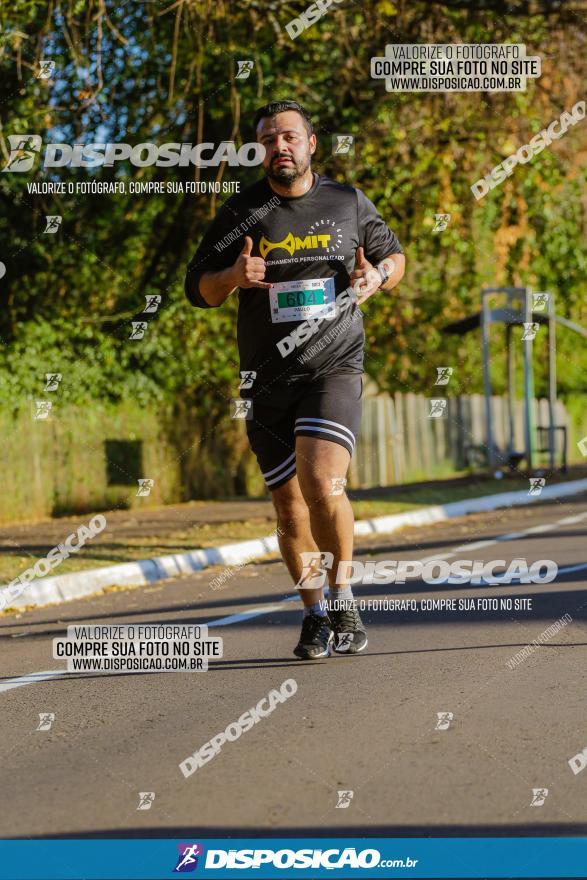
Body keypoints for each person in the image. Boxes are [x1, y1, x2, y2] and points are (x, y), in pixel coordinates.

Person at [185, 99, 405, 659]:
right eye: (266, 139)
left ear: (310, 144)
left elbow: (395, 257)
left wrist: (376, 276)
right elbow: (199, 290)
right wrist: (233, 275)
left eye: (288, 136)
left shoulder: (346, 201)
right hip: (265, 380)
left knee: (324, 482)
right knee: (288, 507)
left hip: (333, 367)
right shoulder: (240, 213)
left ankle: (345, 596)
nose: (278, 146)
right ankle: (314, 614)